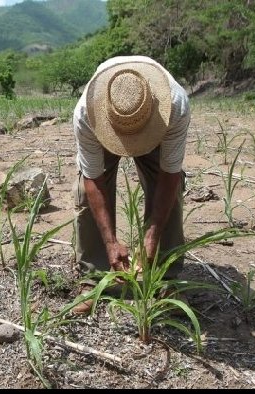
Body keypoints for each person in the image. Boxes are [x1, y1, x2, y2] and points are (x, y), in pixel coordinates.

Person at [71, 55, 190, 315]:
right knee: (83, 191)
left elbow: (169, 176)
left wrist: (151, 238)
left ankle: (166, 277)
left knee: (173, 190)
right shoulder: (86, 114)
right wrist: (111, 242)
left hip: (158, 124)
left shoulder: (175, 106)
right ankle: (94, 278)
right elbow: (93, 179)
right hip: (103, 128)